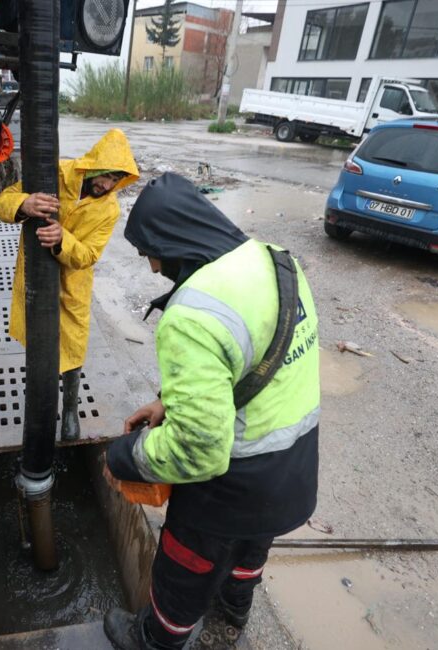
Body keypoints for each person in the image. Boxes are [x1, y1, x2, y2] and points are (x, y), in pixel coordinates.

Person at [101, 173, 321, 650]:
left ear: (173, 240)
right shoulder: (277, 261)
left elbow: (198, 450)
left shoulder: (191, 314)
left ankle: (158, 638)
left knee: (186, 565)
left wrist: (127, 456)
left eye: (150, 252)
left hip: (233, 485)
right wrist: (168, 401)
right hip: (296, 467)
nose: (154, 267)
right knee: (251, 548)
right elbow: (251, 358)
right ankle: (235, 610)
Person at [0, 129, 139, 440]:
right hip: (36, 277)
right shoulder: (55, 174)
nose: (108, 185)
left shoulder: (109, 209)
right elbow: (1, 202)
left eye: (115, 180)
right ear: (94, 165)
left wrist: (63, 239)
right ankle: (41, 399)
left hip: (73, 283)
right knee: (38, 338)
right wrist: (24, 203)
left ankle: (70, 407)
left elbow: (88, 254)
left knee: (73, 346)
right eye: (107, 176)